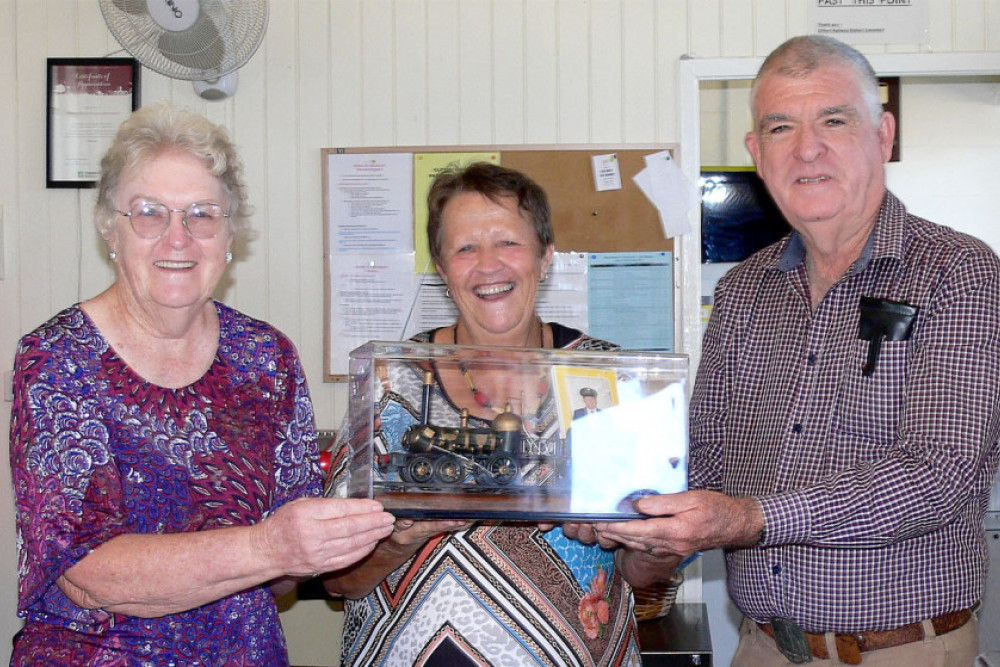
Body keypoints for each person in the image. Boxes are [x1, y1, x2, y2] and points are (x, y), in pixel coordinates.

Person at [580, 35, 1000, 666]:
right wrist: (631, 517)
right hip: (762, 648)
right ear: (757, 151)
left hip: (900, 650)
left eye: (834, 119)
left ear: (882, 134)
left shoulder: (959, 272)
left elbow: (938, 473)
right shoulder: (746, 288)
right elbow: (707, 460)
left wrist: (749, 519)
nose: (808, 148)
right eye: (781, 127)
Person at [8, 102, 395, 665]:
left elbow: (285, 575)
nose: (177, 238)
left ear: (230, 231)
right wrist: (268, 546)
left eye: (202, 214)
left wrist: (373, 527)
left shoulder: (267, 358)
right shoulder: (58, 358)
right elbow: (87, 575)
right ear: (109, 228)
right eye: (149, 213)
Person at [324, 162, 644, 666]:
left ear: (545, 256)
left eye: (509, 243)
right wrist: (397, 543)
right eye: (466, 247)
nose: (489, 265)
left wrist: (635, 534)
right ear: (442, 269)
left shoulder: (612, 376)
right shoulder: (389, 382)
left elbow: (649, 569)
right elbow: (339, 578)